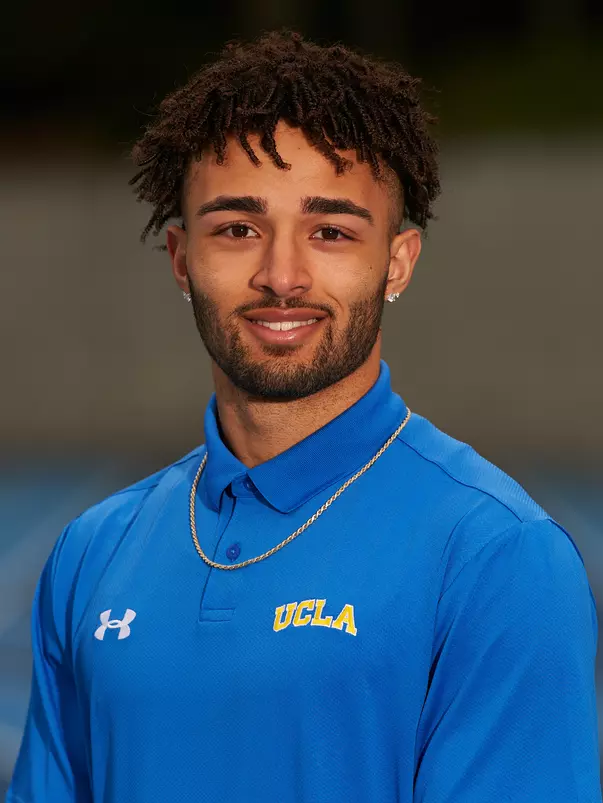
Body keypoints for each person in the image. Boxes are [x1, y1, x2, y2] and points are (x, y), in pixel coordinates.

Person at [7, 30, 601, 803]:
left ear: (396, 261)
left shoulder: (497, 556)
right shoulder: (90, 553)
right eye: (237, 229)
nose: (281, 275)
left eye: (330, 232)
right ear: (181, 258)